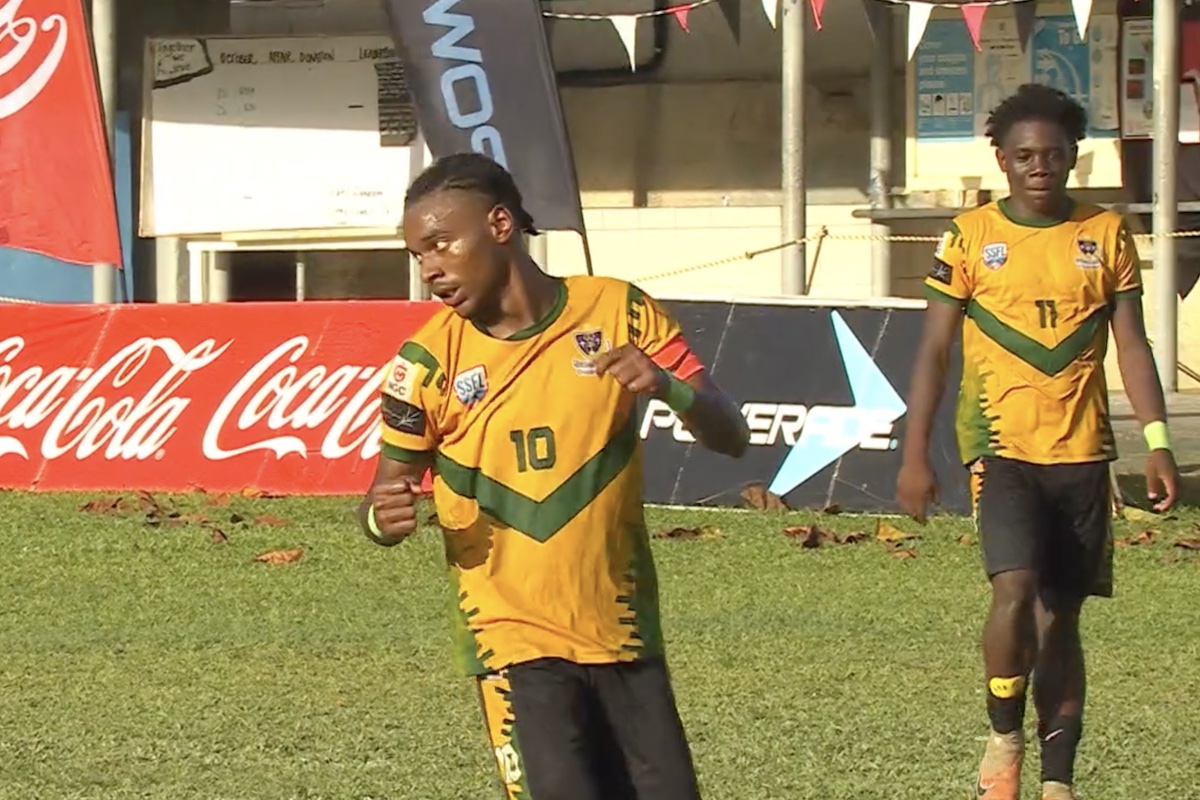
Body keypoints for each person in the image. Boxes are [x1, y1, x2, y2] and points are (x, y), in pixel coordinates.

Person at [357, 152, 750, 800]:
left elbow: (730, 435)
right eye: (418, 254)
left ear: (500, 224)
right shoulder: (425, 364)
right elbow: (380, 498)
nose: (429, 268)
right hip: (512, 650)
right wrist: (382, 517)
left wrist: (669, 388)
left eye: (440, 245)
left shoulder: (620, 311)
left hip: (624, 635)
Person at [896, 83, 1180, 800]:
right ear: (1001, 159)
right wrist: (913, 453)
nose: (1039, 167)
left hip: (1083, 455)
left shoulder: (1106, 234)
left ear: (1072, 158)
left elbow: (1133, 345)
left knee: (1063, 619)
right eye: (1024, 155)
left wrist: (1156, 440)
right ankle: (1003, 733)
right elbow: (933, 351)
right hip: (1001, 451)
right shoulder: (968, 237)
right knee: (1014, 591)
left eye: (1052, 155)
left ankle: (1058, 780)